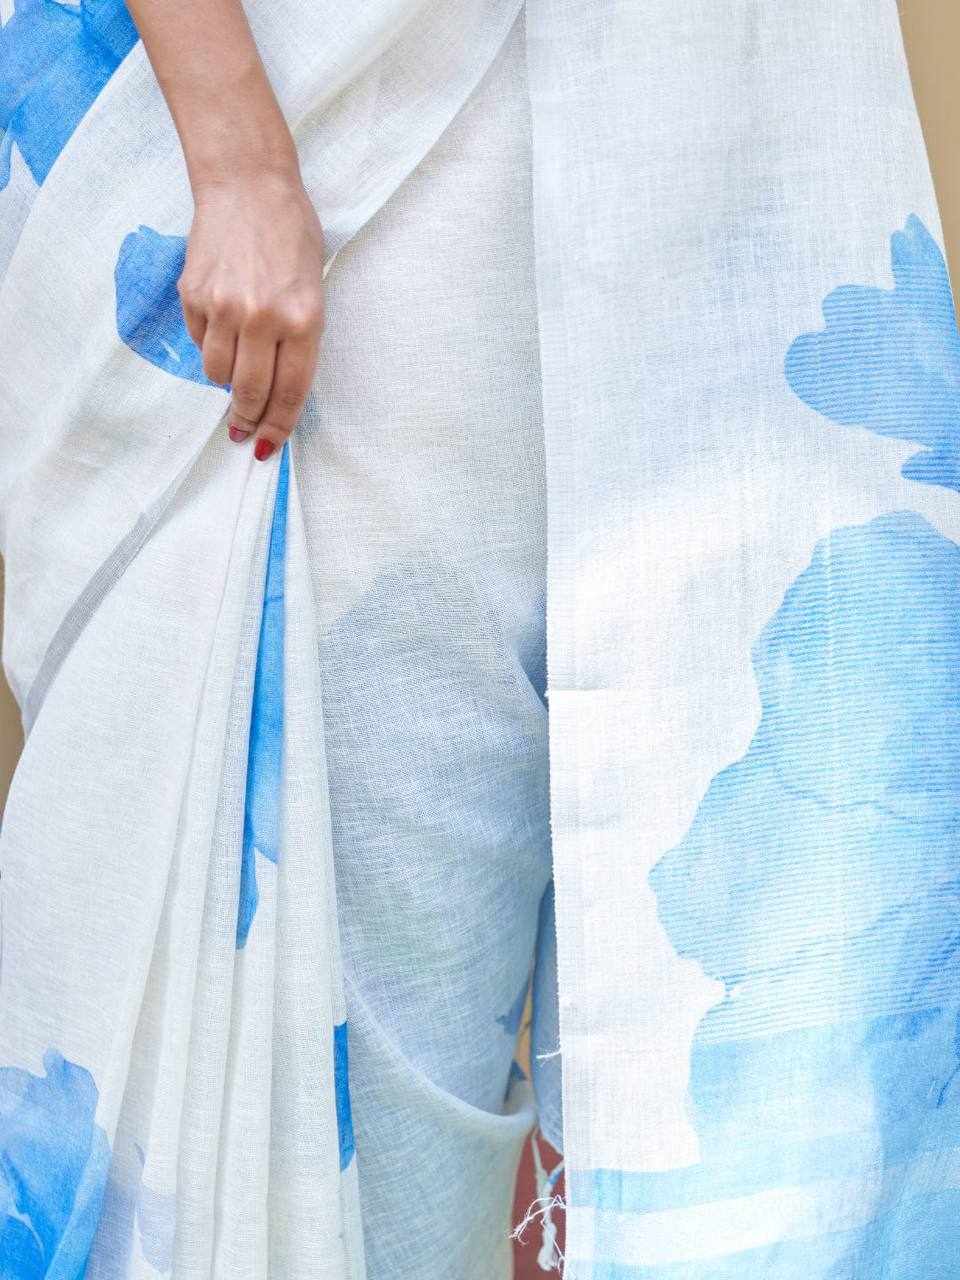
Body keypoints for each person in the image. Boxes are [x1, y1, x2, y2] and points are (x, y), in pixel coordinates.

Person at [2, 2, 959, 1278]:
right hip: (311, 186)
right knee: (326, 1046)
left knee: (770, 1037)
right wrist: (236, 158)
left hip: (730, 171)